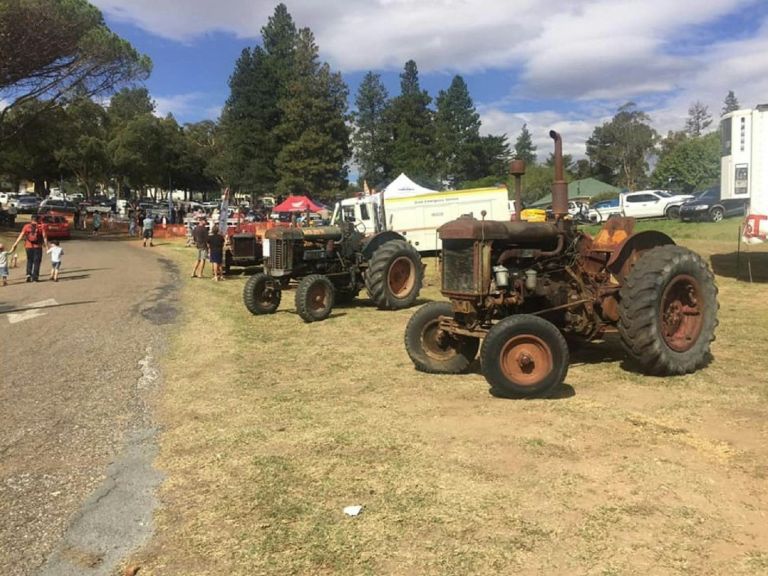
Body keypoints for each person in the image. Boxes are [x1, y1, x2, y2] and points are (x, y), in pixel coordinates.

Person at [11, 214, 48, 282]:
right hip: (38, 246)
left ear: (31, 219)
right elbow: (44, 237)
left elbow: (21, 235)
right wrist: (47, 247)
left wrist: (15, 244)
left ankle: (28, 275)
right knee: (37, 262)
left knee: (29, 260)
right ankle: (35, 277)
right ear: (38, 220)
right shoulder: (41, 227)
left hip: (28, 246)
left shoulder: (26, 226)